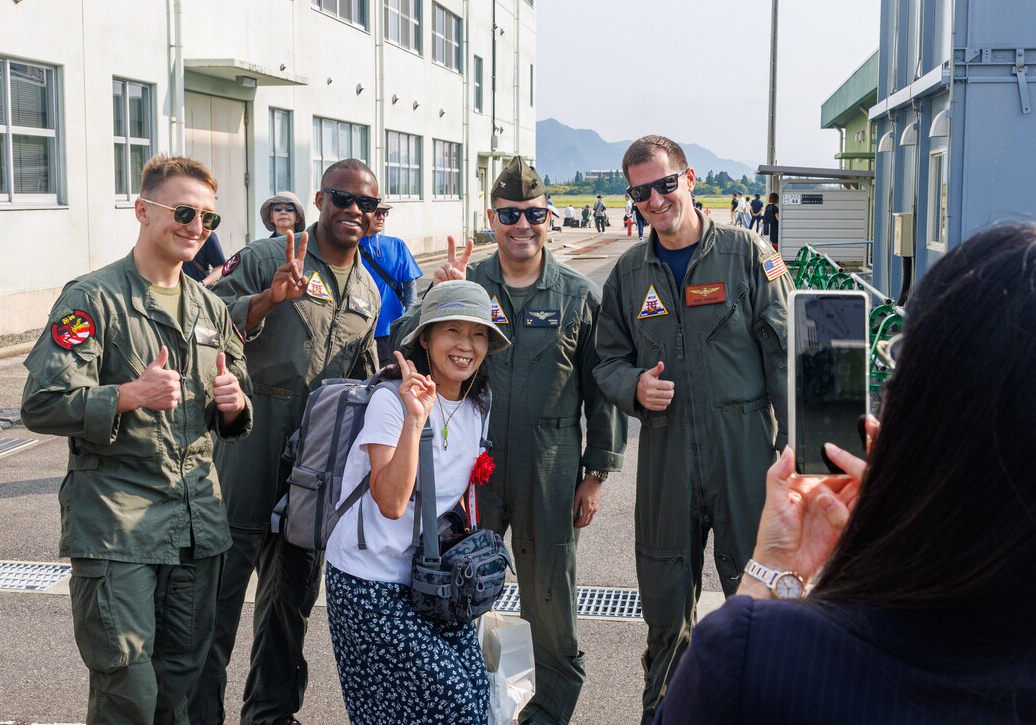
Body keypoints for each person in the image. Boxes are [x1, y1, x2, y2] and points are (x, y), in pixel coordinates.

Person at [659, 222, 1036, 723]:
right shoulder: (635, 270)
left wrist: (771, 570)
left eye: (901, 357)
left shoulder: (753, 659)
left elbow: (776, 350)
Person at [393, 156, 627, 724]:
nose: (522, 225)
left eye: (533, 214)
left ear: (548, 218)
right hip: (472, 464)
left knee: (550, 598)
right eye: (508, 214)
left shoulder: (576, 295)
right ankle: (464, 704)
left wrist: (595, 474)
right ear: (490, 218)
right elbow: (405, 354)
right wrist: (433, 296)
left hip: (551, 465)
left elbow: (601, 390)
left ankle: (547, 712)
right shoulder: (466, 284)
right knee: (457, 589)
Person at [21, 154, 253, 723]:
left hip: (195, 525)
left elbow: (234, 395)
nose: (195, 226)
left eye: (207, 218)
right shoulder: (91, 300)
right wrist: (126, 396)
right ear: (143, 210)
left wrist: (234, 404)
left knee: (180, 682)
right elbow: (41, 404)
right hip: (116, 524)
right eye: (182, 211)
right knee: (128, 686)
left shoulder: (211, 308)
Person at [593, 135, 792, 725]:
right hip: (666, 453)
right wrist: (633, 386)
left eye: (664, 184)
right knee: (664, 604)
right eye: (640, 192)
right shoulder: (629, 274)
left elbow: (785, 356)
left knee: (761, 604)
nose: (655, 200)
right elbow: (606, 359)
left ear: (691, 178)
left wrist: (796, 451)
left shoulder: (750, 256)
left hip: (745, 450)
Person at [191, 160, 380, 724]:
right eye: (343, 199)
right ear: (320, 199)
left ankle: (270, 715)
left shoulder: (367, 291)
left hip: (314, 472)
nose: (354, 211)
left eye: (366, 204)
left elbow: (364, 375)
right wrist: (267, 301)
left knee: (289, 606)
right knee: (216, 604)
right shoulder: (269, 257)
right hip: (247, 453)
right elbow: (205, 320)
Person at [326, 280, 511, 725]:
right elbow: (390, 502)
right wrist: (415, 419)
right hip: (369, 583)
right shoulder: (391, 403)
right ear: (425, 338)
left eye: (478, 333)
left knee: (477, 695)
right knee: (454, 706)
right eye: (452, 330)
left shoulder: (477, 401)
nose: (466, 346)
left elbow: (456, 494)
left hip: (432, 579)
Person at [358, 203, 424, 366]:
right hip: (358, 329)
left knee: (389, 377)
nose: (381, 217)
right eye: (376, 212)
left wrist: (409, 318)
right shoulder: (349, 246)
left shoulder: (397, 245)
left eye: (384, 213)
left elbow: (410, 284)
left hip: (390, 328)